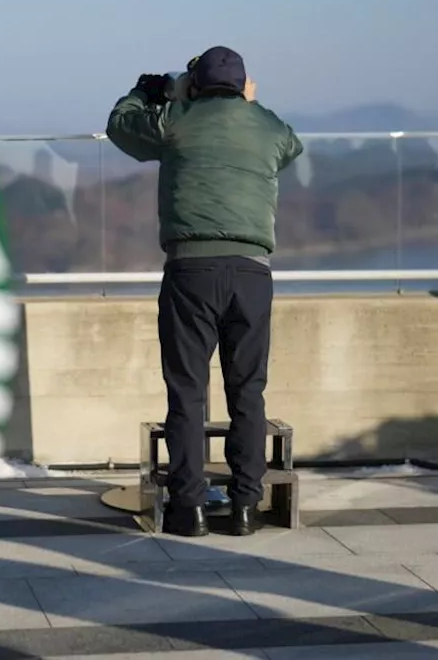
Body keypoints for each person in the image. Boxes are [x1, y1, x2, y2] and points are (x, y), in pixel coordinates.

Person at [105, 45, 303, 537]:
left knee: (187, 393)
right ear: (242, 86)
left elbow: (121, 126)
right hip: (253, 274)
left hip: (190, 271)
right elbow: (291, 146)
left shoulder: (175, 118)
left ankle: (188, 510)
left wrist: (146, 92)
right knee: (248, 392)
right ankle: (243, 509)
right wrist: (250, 107)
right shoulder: (267, 127)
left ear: (195, 85)